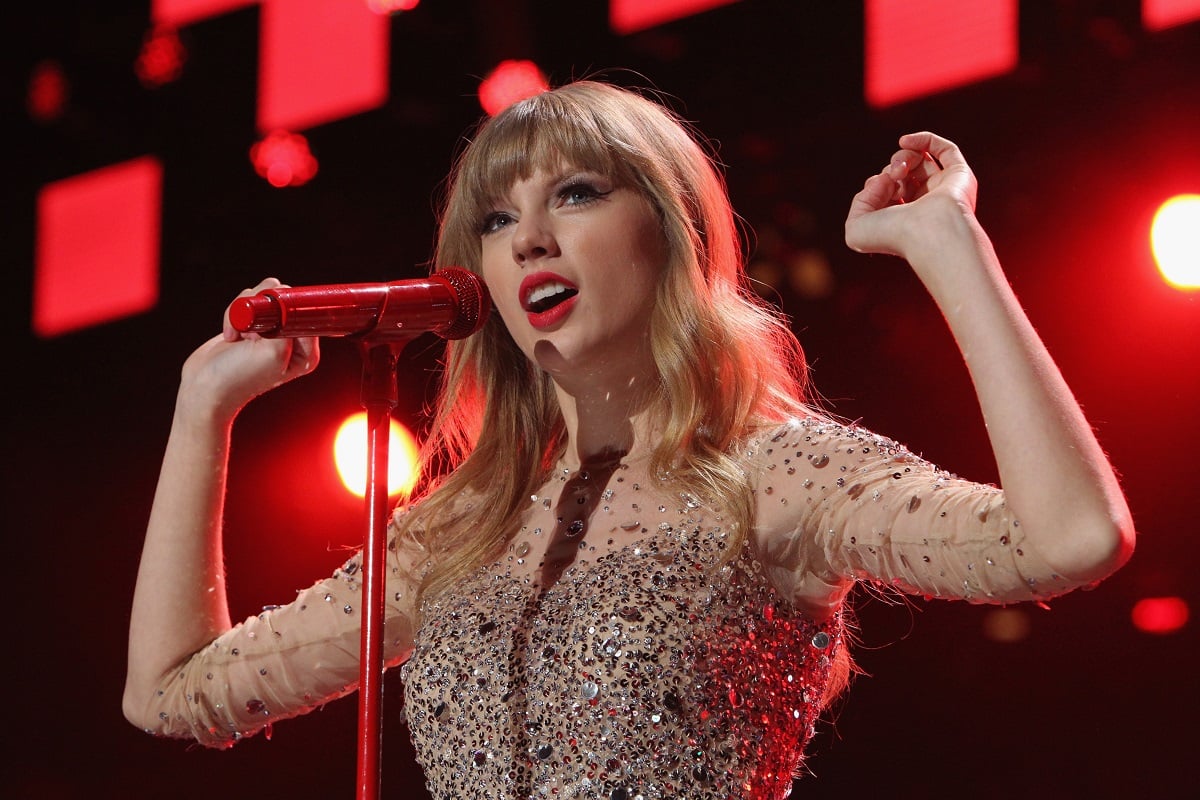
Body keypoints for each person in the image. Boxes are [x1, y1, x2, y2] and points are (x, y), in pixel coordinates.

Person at [123, 80, 1135, 799]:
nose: (527, 239)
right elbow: (171, 695)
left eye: (575, 194)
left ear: (673, 228)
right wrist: (198, 411)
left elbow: (1072, 537)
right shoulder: (455, 530)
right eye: (494, 218)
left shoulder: (775, 469)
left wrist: (949, 248)